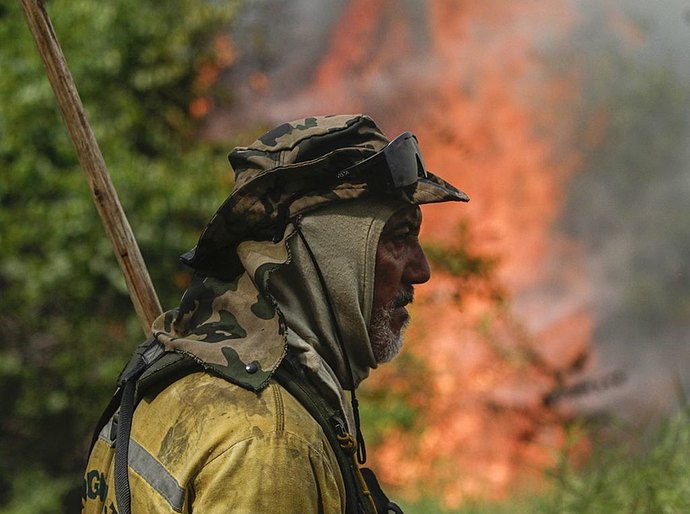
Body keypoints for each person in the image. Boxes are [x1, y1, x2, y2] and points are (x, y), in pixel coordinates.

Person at [82, 114, 469, 514]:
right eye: (400, 238)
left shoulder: (174, 370)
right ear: (328, 251)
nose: (421, 271)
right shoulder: (271, 443)